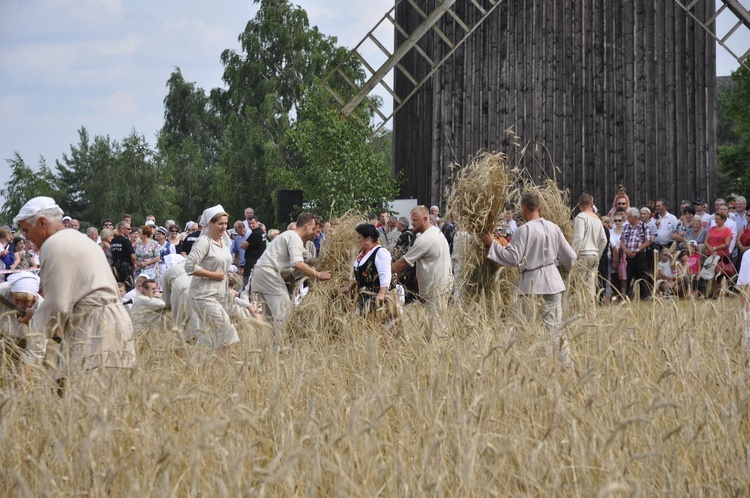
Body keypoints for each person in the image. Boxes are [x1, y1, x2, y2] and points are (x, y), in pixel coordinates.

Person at [14, 197, 136, 388]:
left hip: (97, 332)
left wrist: (32, 350)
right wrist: (37, 314)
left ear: (42, 223)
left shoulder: (54, 244)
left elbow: (57, 304)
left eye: (27, 230)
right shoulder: (78, 239)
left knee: (90, 409)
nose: (26, 237)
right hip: (108, 328)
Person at [480, 192, 577, 369]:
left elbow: (512, 258)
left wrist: (492, 243)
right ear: (540, 208)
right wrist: (565, 270)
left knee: (520, 326)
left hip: (530, 284)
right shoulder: (554, 227)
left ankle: (518, 365)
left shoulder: (524, 230)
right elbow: (570, 257)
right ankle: (566, 365)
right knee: (555, 328)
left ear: (523, 209)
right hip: (553, 281)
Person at [252, 213, 332, 331]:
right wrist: (318, 274)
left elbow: (309, 259)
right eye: (314, 228)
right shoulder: (294, 238)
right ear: (307, 226)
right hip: (270, 274)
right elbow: (297, 263)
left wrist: (326, 261)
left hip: (261, 274)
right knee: (284, 316)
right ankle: (281, 348)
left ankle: (269, 348)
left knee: (270, 320)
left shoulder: (290, 237)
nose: (316, 233)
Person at [184, 205, 240, 354]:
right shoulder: (203, 242)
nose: (224, 227)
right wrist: (213, 275)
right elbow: (189, 266)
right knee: (226, 329)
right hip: (203, 294)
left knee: (209, 334)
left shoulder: (224, 242)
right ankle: (224, 368)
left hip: (219, 294)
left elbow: (221, 265)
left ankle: (200, 369)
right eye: (220, 224)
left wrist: (227, 274)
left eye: (226, 224)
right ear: (210, 223)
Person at [392, 205, 452, 314]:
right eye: (412, 220)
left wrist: (384, 272)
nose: (412, 223)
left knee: (436, 326)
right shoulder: (435, 231)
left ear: (425, 219)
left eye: (415, 220)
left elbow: (404, 262)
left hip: (435, 289)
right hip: (442, 285)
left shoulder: (424, 239)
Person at [0, 272, 45, 386]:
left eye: (25, 302)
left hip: (23, 345)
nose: (20, 305)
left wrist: (22, 377)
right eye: (17, 300)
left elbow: (37, 348)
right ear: (11, 293)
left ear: (34, 299)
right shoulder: (2, 292)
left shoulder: (41, 307)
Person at [341, 223, 392, 314]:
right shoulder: (362, 253)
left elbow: (385, 275)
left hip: (375, 298)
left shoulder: (380, 252)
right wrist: (349, 287)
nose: (358, 241)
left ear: (368, 239)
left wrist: (381, 294)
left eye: (359, 238)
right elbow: (360, 273)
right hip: (363, 297)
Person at [572, 193, 607, 306]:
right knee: (591, 287)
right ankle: (591, 313)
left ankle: (581, 311)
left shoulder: (581, 217)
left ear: (579, 205)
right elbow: (604, 240)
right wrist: (598, 254)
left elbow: (578, 238)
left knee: (579, 286)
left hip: (582, 255)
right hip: (594, 255)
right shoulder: (597, 219)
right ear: (592, 204)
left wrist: (573, 257)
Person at [620, 207, 652, 299]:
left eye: (629, 216)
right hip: (629, 257)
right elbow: (622, 241)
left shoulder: (644, 227)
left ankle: (644, 298)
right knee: (629, 278)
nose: (627, 218)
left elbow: (648, 241)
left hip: (640, 256)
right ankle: (628, 298)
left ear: (635, 217)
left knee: (642, 278)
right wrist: (626, 251)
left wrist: (637, 250)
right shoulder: (626, 227)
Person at [706, 211, 734, 297]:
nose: (716, 221)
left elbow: (726, 244)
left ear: (724, 219)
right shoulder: (712, 229)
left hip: (721, 256)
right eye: (715, 219)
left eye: (718, 219)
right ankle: (711, 293)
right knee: (708, 274)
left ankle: (719, 293)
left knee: (719, 276)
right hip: (710, 255)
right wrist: (710, 248)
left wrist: (715, 248)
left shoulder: (727, 231)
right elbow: (705, 241)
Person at [393, 216, 418, 303]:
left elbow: (398, 250)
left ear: (400, 225)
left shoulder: (404, 235)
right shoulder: (413, 233)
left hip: (405, 264)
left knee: (405, 282)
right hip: (413, 263)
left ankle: (408, 299)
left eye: (398, 224)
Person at [109, 221, 137, 290]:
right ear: (122, 229)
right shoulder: (126, 241)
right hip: (126, 269)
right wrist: (134, 265)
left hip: (115, 269)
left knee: (118, 288)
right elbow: (133, 257)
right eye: (128, 229)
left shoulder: (113, 241)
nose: (130, 231)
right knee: (128, 287)